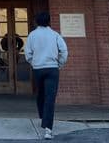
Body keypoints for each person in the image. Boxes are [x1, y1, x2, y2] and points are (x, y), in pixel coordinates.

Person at [24, 11, 68, 140]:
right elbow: (64, 51)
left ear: (37, 21)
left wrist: (33, 62)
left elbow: (28, 53)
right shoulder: (55, 35)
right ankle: (48, 129)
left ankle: (43, 117)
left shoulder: (32, 35)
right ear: (49, 21)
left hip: (38, 68)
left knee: (40, 94)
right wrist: (60, 64)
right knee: (50, 98)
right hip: (52, 68)